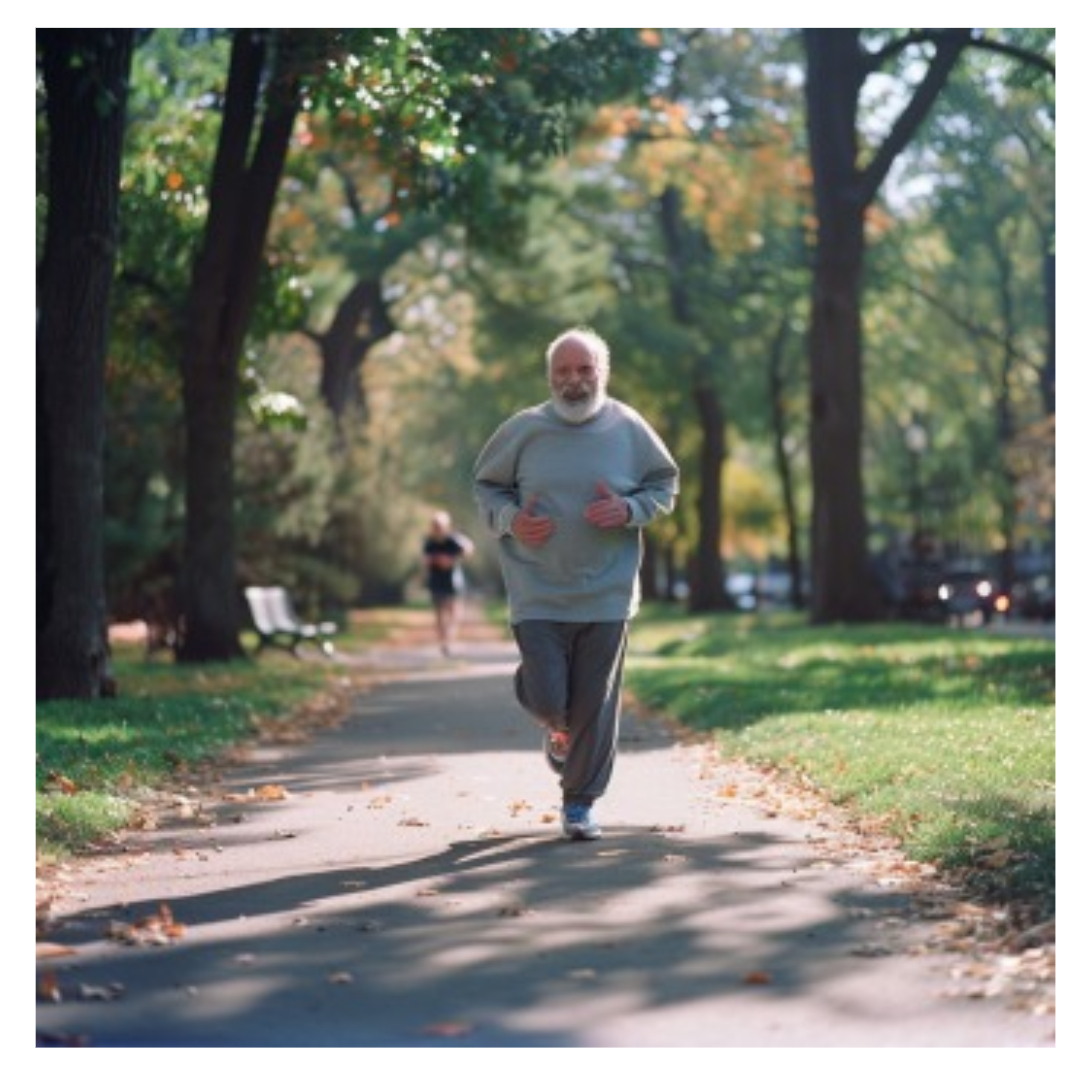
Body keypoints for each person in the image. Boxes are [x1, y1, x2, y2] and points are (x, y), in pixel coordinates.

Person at [472, 326, 679, 841]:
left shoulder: (629, 428)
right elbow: (487, 486)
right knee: (549, 698)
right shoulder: (524, 430)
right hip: (537, 589)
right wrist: (512, 520)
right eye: (563, 371)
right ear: (550, 377)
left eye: (584, 369)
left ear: (601, 373)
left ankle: (579, 803)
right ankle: (546, 712)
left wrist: (629, 508)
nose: (574, 381)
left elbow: (665, 483)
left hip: (607, 592)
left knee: (595, 703)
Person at [422, 510, 474, 656]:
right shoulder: (429, 541)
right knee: (439, 615)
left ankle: (448, 641)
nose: (437, 528)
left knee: (454, 614)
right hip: (436, 581)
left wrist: (452, 559)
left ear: (446, 526)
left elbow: (468, 548)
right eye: (435, 525)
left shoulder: (453, 539)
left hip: (453, 582)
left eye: (440, 525)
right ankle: (443, 642)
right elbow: (425, 560)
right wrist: (434, 560)